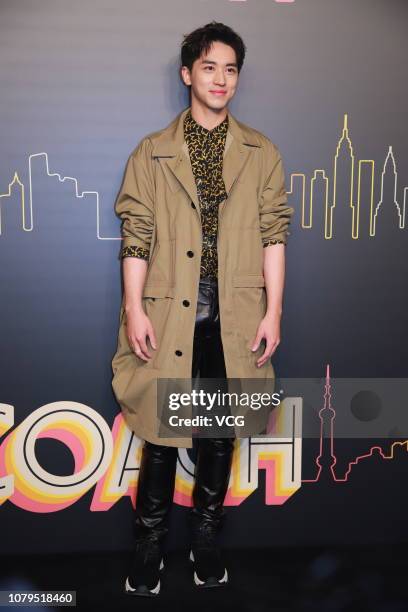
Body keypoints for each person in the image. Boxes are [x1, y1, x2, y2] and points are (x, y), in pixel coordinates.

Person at [111, 21, 294, 596]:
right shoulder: (153, 152)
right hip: (169, 313)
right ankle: (149, 544)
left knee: (219, 434)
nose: (221, 79)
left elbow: (274, 235)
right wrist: (134, 309)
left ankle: (206, 538)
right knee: (164, 436)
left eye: (231, 68)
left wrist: (274, 313)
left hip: (235, 313)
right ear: (188, 74)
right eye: (209, 67)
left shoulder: (261, 152)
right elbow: (136, 235)